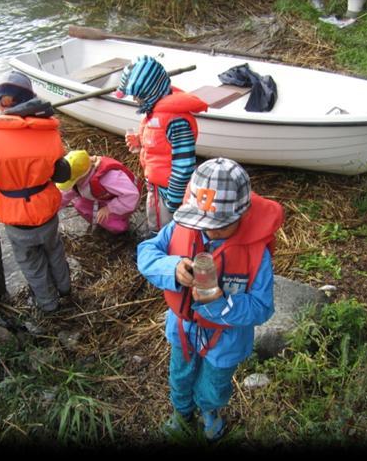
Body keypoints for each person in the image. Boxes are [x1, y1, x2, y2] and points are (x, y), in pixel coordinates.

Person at [136, 158, 284, 441]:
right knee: (180, 374)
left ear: (241, 215)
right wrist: (172, 267)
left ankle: (210, 412)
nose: (208, 231)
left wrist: (220, 301)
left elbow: (263, 308)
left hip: (226, 338)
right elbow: (146, 252)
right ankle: (182, 412)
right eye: (201, 221)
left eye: (219, 225)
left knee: (215, 384)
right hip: (184, 328)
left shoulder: (256, 252)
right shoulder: (182, 229)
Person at [0, 71, 72, 313]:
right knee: (55, 252)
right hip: (47, 216)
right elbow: (63, 175)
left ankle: (49, 306)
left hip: (18, 223)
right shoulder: (48, 134)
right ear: (30, 101)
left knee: (32, 265)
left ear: (0, 104)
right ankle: (66, 290)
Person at [116, 55, 208, 236]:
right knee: (155, 216)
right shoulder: (156, 113)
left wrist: (174, 200)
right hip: (156, 185)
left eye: (137, 95)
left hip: (170, 190)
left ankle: (165, 249)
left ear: (151, 91)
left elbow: (184, 165)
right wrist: (140, 141)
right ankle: (153, 237)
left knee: (170, 227)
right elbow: (159, 144)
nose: (134, 99)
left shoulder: (177, 121)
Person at [56, 150, 142, 234]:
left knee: (115, 225)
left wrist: (110, 208)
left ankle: (121, 226)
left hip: (125, 201)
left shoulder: (109, 178)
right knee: (80, 205)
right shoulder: (80, 176)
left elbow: (132, 195)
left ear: (84, 176)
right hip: (103, 197)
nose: (73, 185)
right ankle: (99, 223)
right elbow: (64, 195)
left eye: (74, 182)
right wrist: (52, 211)